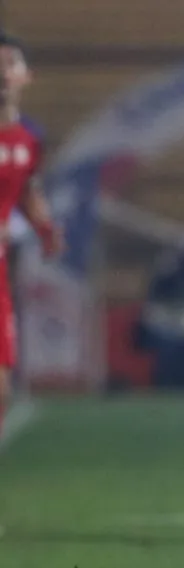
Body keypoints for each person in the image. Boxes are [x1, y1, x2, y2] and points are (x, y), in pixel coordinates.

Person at [0, 32, 63, 435]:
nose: (3, 71)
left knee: (2, 392)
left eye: (10, 63)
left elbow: (27, 189)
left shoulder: (28, 138)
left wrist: (46, 228)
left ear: (26, 76)